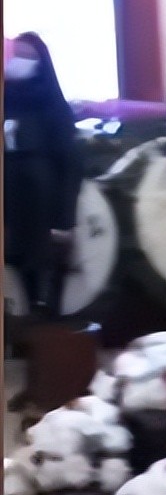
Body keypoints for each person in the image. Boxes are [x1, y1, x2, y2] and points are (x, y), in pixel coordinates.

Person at [3, 32, 82, 319]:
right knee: (17, 265)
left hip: (43, 203)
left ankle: (48, 322)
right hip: (12, 202)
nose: (19, 61)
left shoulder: (51, 106)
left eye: (27, 56)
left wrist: (65, 218)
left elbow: (69, 162)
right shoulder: (7, 100)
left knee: (45, 270)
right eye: (16, 55)